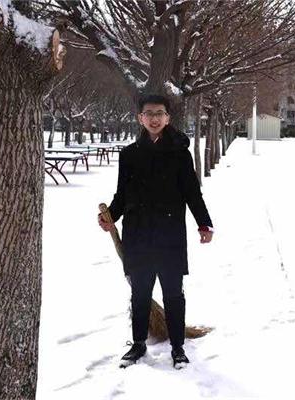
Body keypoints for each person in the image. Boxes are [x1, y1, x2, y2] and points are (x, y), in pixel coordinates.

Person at [98, 94, 213, 369]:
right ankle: (138, 343)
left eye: (159, 113)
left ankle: (178, 347)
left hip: (170, 236)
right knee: (140, 294)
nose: (154, 118)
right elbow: (122, 194)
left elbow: (192, 193)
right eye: (148, 113)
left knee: (173, 294)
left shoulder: (180, 154)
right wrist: (111, 216)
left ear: (168, 118)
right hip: (137, 235)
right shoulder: (129, 155)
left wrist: (204, 223)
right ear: (140, 118)